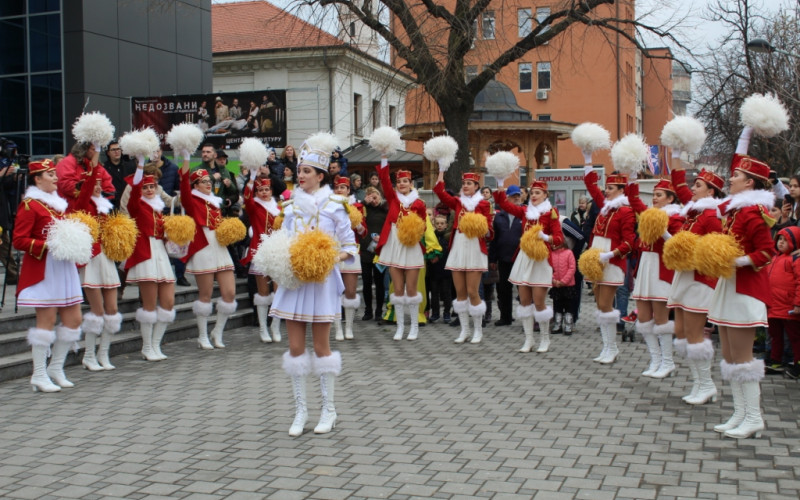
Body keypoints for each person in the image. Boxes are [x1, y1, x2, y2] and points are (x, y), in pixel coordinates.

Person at [270, 140, 358, 437]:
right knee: (295, 348)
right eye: (299, 170)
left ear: (321, 176)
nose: (301, 175)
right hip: (295, 281)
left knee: (321, 348)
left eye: (307, 171)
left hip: (321, 283)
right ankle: (300, 411)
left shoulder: (335, 206)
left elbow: (350, 246)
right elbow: (283, 242)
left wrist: (328, 258)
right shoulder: (289, 207)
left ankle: (328, 410)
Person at [706, 150, 774, 439]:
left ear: (750, 183)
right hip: (728, 286)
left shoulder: (753, 212)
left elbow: (767, 252)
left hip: (746, 290)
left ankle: (754, 417)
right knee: (730, 356)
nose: (730, 179)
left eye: (736, 176)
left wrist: (737, 261)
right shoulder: (734, 211)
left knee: (743, 358)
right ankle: (739, 412)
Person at [14, 159, 84, 392]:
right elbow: (19, 240)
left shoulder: (58, 205)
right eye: (50, 174)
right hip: (44, 268)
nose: (55, 177)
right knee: (47, 321)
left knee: (74, 320)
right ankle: (39, 374)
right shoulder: (30, 205)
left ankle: (56, 367)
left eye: (55, 173)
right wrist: (48, 245)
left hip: (64, 266)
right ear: (37, 179)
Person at [666, 168, 724, 405]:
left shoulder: (711, 217)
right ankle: (699, 383)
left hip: (700, 279)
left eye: (698, 185)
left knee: (694, 333)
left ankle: (707, 384)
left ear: (711, 192)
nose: (692, 188)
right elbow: (679, 186)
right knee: (681, 331)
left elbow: (716, 251)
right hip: (685, 276)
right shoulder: (694, 215)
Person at [493, 179, 563, 352]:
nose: (534, 196)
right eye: (532, 193)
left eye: (538, 193)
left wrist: (545, 237)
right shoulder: (525, 211)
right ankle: (529, 339)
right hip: (524, 258)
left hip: (540, 259)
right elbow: (504, 204)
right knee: (524, 301)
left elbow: (559, 239)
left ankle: (545, 339)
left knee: (539, 301)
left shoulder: (551, 213)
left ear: (546, 195)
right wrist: (500, 183)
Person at [178, 151, 238, 350]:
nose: (208, 184)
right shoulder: (191, 200)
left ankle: (217, 332)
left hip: (219, 246)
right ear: (195, 185)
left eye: (209, 181)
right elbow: (183, 183)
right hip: (203, 248)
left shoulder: (214, 202)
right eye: (203, 181)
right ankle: (202, 335)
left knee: (229, 293)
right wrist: (186, 157)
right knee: (205, 295)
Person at [68, 161, 123, 372]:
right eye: (94, 184)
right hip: (91, 259)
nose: (98, 187)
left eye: (100, 183)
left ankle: (103, 353)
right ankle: (89, 356)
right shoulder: (81, 204)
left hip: (106, 259)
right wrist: (94, 159)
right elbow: (84, 195)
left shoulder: (104, 206)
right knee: (97, 311)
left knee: (112, 310)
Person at [627, 179, 684, 379]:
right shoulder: (650, 215)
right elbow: (634, 201)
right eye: (653, 195)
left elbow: (679, 245)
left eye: (659, 195)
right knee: (643, 317)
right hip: (645, 266)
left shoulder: (676, 218)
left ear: (670, 198)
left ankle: (668, 361)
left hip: (662, 268)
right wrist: (632, 175)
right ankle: (655, 359)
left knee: (661, 319)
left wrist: (664, 232)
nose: (655, 198)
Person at [583, 165, 636, 364]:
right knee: (600, 305)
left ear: (622, 190)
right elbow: (591, 186)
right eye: (606, 187)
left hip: (612, 261)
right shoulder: (605, 207)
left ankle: (612, 347)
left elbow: (629, 242)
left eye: (611, 188)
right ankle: (606, 347)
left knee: (606, 305)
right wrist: (588, 159)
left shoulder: (626, 211)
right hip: (596, 259)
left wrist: (610, 255)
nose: (606, 191)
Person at [434, 171, 494, 344]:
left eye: (469, 183)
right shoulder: (458, 202)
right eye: (464, 183)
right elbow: (441, 194)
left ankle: (478, 330)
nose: (466, 186)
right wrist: (440, 176)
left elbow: (489, 231)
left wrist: (482, 228)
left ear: (476, 186)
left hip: (474, 247)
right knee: (460, 292)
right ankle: (464, 330)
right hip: (458, 247)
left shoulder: (483, 204)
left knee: (473, 291)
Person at [125, 162, 176, 361]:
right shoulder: (137, 206)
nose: (148, 190)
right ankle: (147, 347)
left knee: (168, 302)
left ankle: (156, 344)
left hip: (160, 253)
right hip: (145, 254)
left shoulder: (158, 209)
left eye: (152, 186)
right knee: (149, 304)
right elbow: (133, 193)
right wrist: (139, 164)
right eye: (145, 187)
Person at [376, 161, 427, 340]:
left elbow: (424, 226)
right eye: (399, 182)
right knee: (397, 289)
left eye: (405, 181)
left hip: (411, 245)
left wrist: (413, 230)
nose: (401, 184)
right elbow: (384, 181)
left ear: (411, 183)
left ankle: (414, 327)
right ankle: (400, 327)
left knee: (411, 289)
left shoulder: (419, 203)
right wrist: (384, 157)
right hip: (395, 245)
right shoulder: (393, 198)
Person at [241, 170, 281, 343]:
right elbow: (247, 198)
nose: (264, 193)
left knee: (279, 292)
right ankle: (263, 328)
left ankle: (275, 326)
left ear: (271, 191)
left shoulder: (279, 208)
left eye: (267, 190)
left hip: (278, 252)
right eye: (260, 190)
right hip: (261, 251)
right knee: (263, 293)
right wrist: (251, 179)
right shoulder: (254, 207)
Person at [332, 177, 367, 340]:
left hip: (351, 251)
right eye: (337, 187)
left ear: (348, 190)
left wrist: (356, 223)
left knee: (351, 291)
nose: (340, 190)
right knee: (334, 292)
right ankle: (337, 328)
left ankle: (349, 327)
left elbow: (363, 232)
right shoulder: (328, 207)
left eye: (343, 187)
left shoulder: (357, 207)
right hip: (333, 250)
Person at [765, 226, 800, 379]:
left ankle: (797, 363)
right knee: (775, 334)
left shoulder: (796, 259)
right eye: (780, 239)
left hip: (789, 306)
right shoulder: (775, 258)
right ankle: (776, 360)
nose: (781, 242)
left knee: (795, 337)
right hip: (774, 305)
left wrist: (798, 304)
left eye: (786, 240)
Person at [488, 185, 523, 327]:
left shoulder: (524, 214)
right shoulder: (499, 216)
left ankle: (527, 318)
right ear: (507, 198)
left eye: (518, 196)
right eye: (513, 196)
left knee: (523, 289)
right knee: (503, 289)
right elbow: (494, 239)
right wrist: (492, 259)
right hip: (503, 257)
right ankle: (505, 317)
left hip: (520, 258)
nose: (516, 198)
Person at [360, 186, 387, 321]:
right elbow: (354, 213)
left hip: (379, 250)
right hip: (366, 249)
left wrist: (382, 237)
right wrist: (364, 202)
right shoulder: (364, 209)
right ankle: (368, 310)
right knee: (366, 282)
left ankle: (379, 311)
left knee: (379, 282)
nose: (374, 201)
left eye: (376, 197)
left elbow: (389, 226)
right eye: (371, 198)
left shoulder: (385, 209)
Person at [428, 214, 453, 323]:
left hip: (446, 269)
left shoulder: (448, 237)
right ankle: (435, 313)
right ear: (434, 224)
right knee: (434, 293)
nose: (439, 225)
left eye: (442, 223)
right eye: (437, 223)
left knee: (446, 292)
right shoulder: (432, 236)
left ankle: (447, 312)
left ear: (446, 225)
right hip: (434, 269)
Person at [102, 140, 137, 209]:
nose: (116, 151)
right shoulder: (104, 169)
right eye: (113, 150)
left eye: (118, 149)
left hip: (128, 203)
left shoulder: (130, 166)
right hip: (112, 205)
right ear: (108, 153)